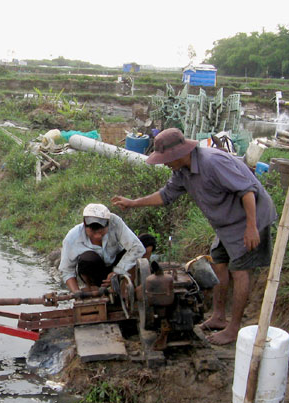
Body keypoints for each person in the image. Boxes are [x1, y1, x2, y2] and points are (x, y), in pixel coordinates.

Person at [112, 128, 277, 345]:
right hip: (226, 224)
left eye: (165, 159)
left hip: (249, 218)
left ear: (178, 153)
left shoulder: (212, 162)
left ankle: (233, 329)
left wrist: (251, 227)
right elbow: (165, 195)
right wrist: (133, 203)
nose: (164, 164)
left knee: (240, 270)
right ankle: (218, 316)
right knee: (218, 260)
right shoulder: (182, 171)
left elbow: (247, 191)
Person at [58, 203, 146, 293]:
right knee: (87, 259)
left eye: (101, 232)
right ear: (84, 224)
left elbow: (137, 248)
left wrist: (118, 271)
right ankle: (93, 288)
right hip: (96, 273)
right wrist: (76, 292)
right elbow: (67, 270)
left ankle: (127, 288)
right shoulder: (72, 238)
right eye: (93, 232)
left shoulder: (115, 222)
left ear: (108, 223)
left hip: (118, 265)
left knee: (146, 240)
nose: (97, 236)